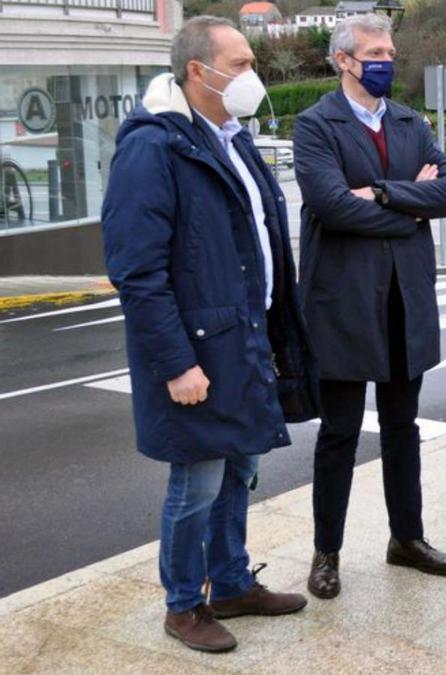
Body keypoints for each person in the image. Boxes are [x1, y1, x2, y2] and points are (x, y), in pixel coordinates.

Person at [101, 16, 319, 653]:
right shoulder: (153, 147)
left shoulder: (233, 138)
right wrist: (176, 363)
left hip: (244, 341)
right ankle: (181, 605)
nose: (253, 75)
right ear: (199, 70)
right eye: (243, 62)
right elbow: (136, 271)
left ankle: (229, 583)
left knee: (238, 470)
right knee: (195, 483)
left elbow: (260, 244)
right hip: (198, 352)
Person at [293, 13, 446, 600]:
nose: (386, 60)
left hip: (404, 300)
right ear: (344, 59)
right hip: (341, 304)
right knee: (339, 433)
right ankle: (327, 553)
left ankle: (407, 539)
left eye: (391, 50)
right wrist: (412, 209)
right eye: (374, 52)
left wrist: (388, 192)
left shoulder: (411, 121)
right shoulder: (316, 126)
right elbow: (333, 206)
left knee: (402, 428)